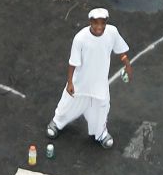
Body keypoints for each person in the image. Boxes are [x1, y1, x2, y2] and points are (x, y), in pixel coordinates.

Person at [47, 8, 132, 149]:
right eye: (96, 23)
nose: (99, 27)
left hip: (100, 84)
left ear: (106, 22)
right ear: (90, 22)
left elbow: (120, 50)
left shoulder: (112, 32)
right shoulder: (80, 38)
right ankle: (57, 122)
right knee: (68, 104)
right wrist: (69, 82)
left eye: (102, 23)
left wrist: (127, 63)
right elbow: (72, 63)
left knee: (102, 108)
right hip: (81, 82)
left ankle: (101, 134)